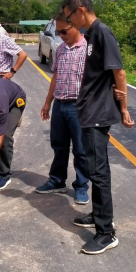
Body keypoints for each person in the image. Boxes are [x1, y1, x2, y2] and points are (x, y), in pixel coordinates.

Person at [62, 0, 135, 255]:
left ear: (80, 10)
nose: (69, 22)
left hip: (97, 115)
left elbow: (120, 72)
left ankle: (106, 232)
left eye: (69, 16)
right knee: (94, 168)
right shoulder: (91, 36)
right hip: (89, 112)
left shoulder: (103, 32)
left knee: (98, 171)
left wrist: (124, 109)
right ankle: (98, 214)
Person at [37, 11, 90, 204]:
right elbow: (56, 77)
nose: (60, 35)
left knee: (81, 149)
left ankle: (82, 186)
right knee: (59, 146)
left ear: (76, 26)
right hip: (60, 104)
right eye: (58, 32)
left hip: (79, 107)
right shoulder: (60, 50)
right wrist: (48, 102)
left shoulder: (88, 50)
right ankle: (57, 181)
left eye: (64, 31)